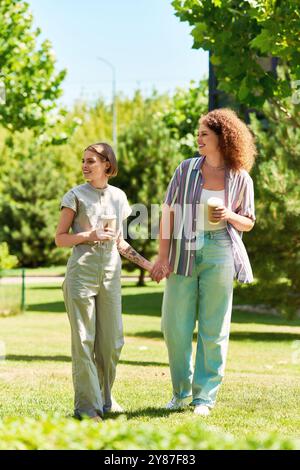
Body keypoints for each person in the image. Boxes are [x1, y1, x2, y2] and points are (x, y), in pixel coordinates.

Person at [151, 108, 256, 416]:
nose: (198, 139)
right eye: (198, 134)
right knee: (175, 326)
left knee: (214, 327)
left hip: (221, 249)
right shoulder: (185, 170)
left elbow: (248, 222)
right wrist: (162, 256)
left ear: (223, 138)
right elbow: (168, 214)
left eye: (204, 135)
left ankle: (204, 398)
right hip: (184, 248)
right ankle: (180, 392)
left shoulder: (241, 178)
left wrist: (229, 215)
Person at [55, 142, 153, 422]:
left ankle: (106, 399)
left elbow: (120, 242)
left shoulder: (119, 198)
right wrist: (89, 235)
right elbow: (60, 238)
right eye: (83, 161)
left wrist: (149, 266)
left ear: (107, 165)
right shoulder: (74, 196)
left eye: (92, 161)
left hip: (111, 275)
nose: (85, 166)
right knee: (84, 340)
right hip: (81, 275)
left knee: (111, 343)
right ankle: (87, 407)